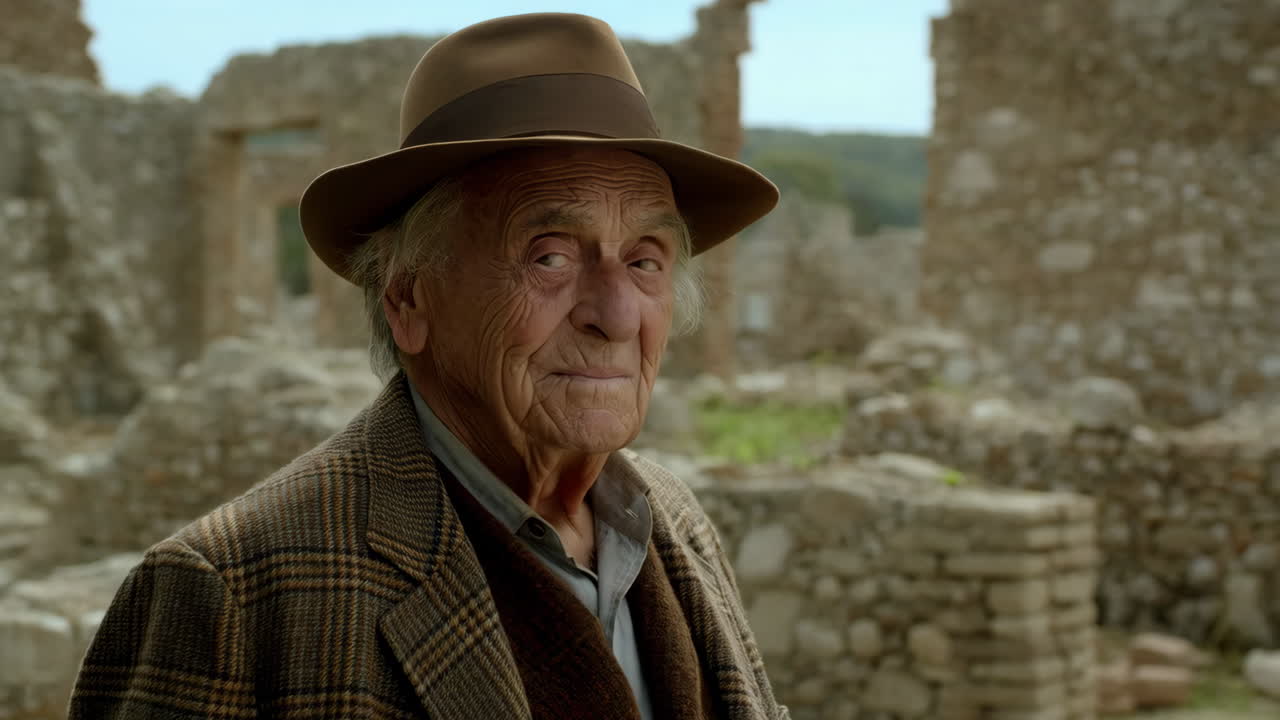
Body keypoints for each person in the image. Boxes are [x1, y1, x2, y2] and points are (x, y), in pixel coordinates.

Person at [70, 12, 784, 720]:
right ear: (408, 299)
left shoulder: (674, 524)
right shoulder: (230, 596)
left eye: (644, 261)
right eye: (550, 255)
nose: (618, 315)